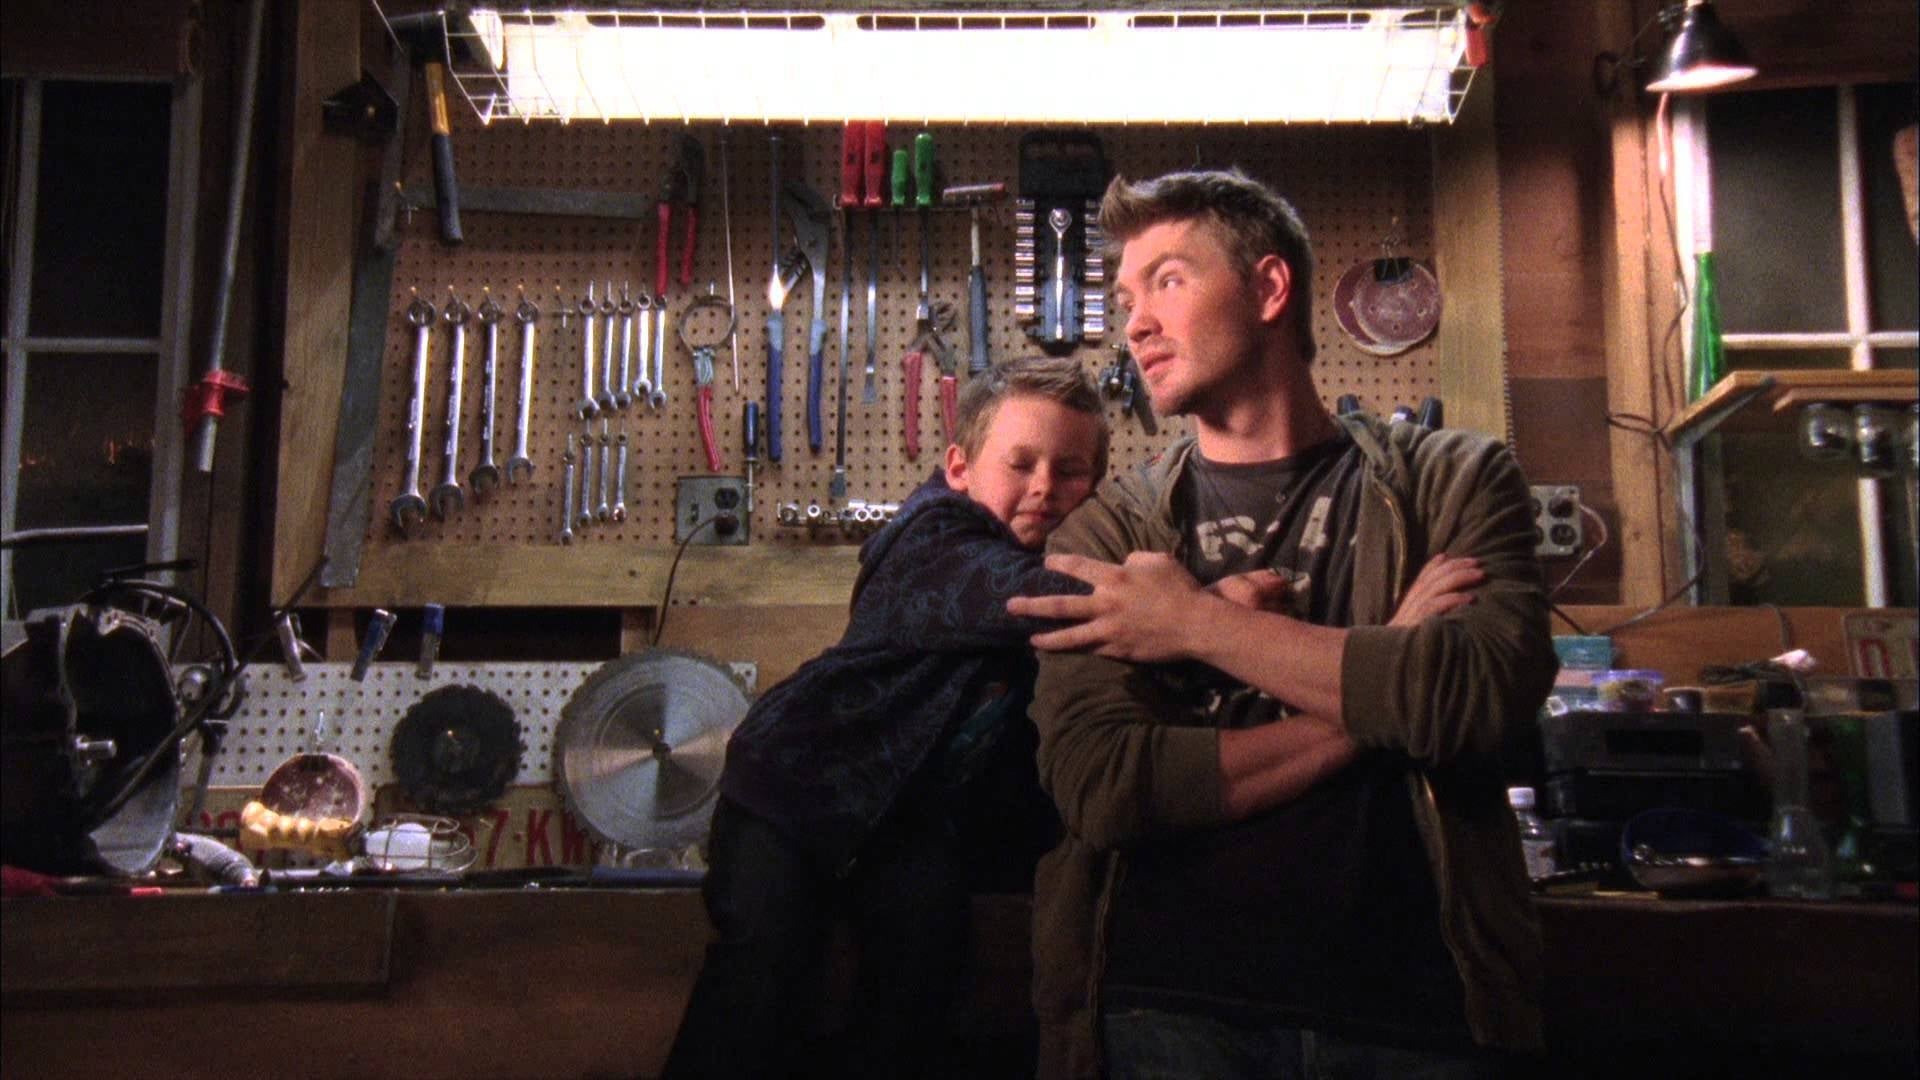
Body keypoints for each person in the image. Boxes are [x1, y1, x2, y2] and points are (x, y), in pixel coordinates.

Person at [1006, 169, 1559, 1079]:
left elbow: (1474, 698)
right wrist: (1383, 681)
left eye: (1169, 280)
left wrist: (1192, 627)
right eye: (1127, 299)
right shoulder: (1109, 534)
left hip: (1417, 1011)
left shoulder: (1454, 479)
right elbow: (1107, 786)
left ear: (1269, 289)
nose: (1134, 324)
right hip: (1167, 1011)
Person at [661, 356, 1110, 1080]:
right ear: (959, 467)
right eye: (1020, 463)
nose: (1043, 487)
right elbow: (1031, 597)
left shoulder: (1056, 554)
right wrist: (1190, 606)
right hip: (790, 792)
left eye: (1071, 471)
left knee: (925, 969)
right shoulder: (932, 540)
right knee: (762, 970)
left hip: (900, 820)